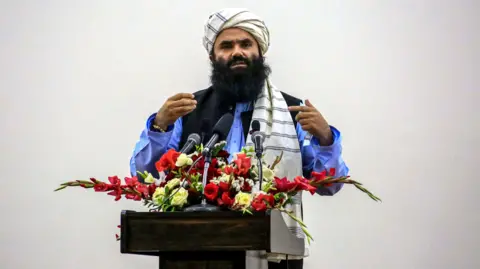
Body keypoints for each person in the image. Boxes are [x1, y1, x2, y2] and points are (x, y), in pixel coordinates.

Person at [129, 8, 349, 269]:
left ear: (260, 52)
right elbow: (142, 174)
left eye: (245, 44)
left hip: (274, 255)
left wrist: (324, 137)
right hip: (197, 254)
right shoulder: (188, 108)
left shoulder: (291, 112)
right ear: (213, 56)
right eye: (226, 46)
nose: (237, 52)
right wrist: (159, 125)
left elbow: (329, 185)